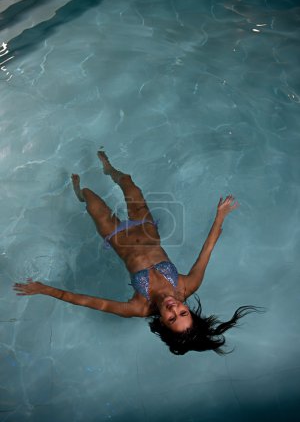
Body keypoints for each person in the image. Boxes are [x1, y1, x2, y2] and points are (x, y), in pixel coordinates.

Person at [13, 151, 261, 355]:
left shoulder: (138, 307)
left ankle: (78, 194)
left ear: (162, 324)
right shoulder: (187, 285)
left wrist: (45, 289)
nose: (173, 309)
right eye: (182, 313)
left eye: (172, 318)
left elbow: (87, 301)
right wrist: (219, 216)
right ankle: (110, 170)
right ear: (188, 309)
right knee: (129, 182)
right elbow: (208, 249)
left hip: (115, 236)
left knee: (89, 197)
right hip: (145, 226)